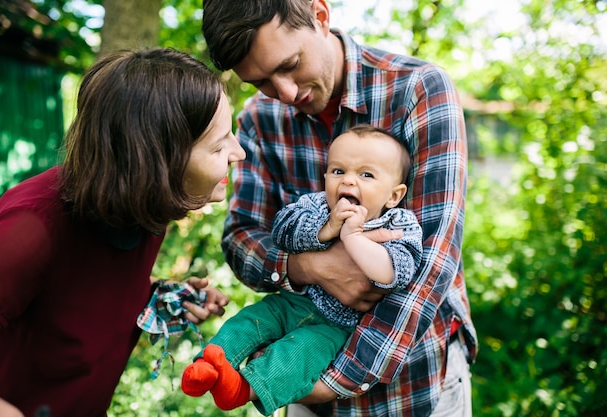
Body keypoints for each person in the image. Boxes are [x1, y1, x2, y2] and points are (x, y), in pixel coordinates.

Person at [201, 0, 478, 416]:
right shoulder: (260, 118)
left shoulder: (418, 89)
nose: (286, 93)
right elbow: (240, 236)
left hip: (413, 383)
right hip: (302, 360)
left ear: (320, 15)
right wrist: (308, 267)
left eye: (291, 63)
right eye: (262, 82)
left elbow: (433, 263)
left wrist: (335, 383)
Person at [0, 47, 246, 417]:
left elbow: (81, 291)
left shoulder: (147, 206)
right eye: (219, 145)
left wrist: (158, 295)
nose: (239, 152)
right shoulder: (29, 230)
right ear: (158, 161)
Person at [181, 125, 423, 416]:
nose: (348, 181)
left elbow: (396, 272)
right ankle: (207, 365)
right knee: (250, 320)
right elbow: (282, 230)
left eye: (366, 175)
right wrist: (327, 228)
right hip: (294, 301)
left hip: (335, 327)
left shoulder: (399, 224)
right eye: (337, 171)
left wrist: (354, 239)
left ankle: (241, 390)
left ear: (394, 195)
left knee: (299, 354)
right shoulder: (318, 205)